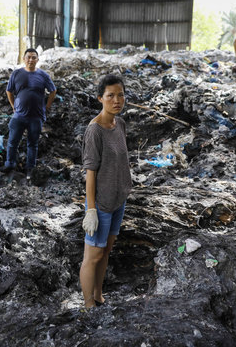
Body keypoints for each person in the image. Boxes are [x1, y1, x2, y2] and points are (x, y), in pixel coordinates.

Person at [79, 74, 132, 308]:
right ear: (100, 98)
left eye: (120, 95)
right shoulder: (95, 131)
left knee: (106, 250)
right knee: (93, 256)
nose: (116, 100)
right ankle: (88, 304)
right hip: (100, 204)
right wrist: (91, 209)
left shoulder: (119, 123)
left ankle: (99, 295)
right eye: (110, 96)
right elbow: (91, 173)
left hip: (118, 199)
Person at [0, 48, 57, 179]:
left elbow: (53, 91)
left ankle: (30, 168)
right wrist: (13, 106)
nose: (31, 60)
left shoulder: (43, 75)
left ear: (37, 59)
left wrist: (47, 106)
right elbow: (9, 91)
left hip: (36, 117)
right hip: (19, 115)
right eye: (28, 57)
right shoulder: (17, 74)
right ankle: (9, 165)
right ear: (24, 59)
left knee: (33, 144)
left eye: (34, 57)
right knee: (13, 142)